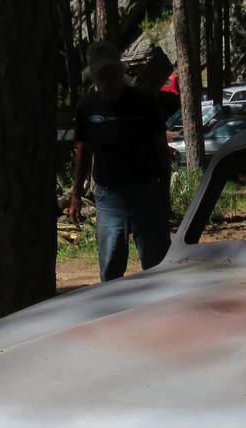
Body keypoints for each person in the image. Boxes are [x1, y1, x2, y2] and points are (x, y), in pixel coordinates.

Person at [68, 41, 172, 282]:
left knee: (158, 266)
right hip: (108, 198)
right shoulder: (87, 107)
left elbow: (160, 150)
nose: (107, 79)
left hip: (146, 192)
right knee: (111, 268)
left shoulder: (144, 102)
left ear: (119, 71)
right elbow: (82, 152)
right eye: (101, 74)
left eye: (111, 72)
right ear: (93, 76)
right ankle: (112, 314)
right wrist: (75, 195)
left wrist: (163, 196)